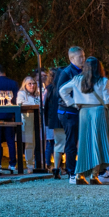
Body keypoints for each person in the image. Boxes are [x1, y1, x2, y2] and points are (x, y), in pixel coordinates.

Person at [60, 56, 109, 185]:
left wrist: (73, 103)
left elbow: (62, 90)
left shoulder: (78, 79)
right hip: (99, 112)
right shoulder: (103, 81)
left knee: (84, 143)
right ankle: (94, 176)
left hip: (83, 112)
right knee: (98, 144)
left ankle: (79, 174)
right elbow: (107, 100)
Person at [44, 47, 85, 178]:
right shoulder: (67, 72)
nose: (83, 59)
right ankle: (71, 171)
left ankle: (74, 169)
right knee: (70, 142)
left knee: (73, 141)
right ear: (72, 58)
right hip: (69, 112)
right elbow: (61, 92)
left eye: (83, 56)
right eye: (80, 57)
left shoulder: (80, 71)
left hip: (75, 111)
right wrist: (73, 103)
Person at [0, 64, 21, 171]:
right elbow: (16, 100)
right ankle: (12, 164)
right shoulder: (13, 83)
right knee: (10, 140)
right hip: (9, 114)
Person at [17, 74, 43, 172]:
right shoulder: (22, 93)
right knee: (29, 143)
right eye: (29, 84)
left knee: (40, 142)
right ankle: (29, 165)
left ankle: (40, 163)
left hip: (39, 120)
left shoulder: (38, 93)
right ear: (25, 85)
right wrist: (35, 105)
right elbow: (20, 104)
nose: (32, 85)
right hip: (28, 120)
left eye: (34, 83)